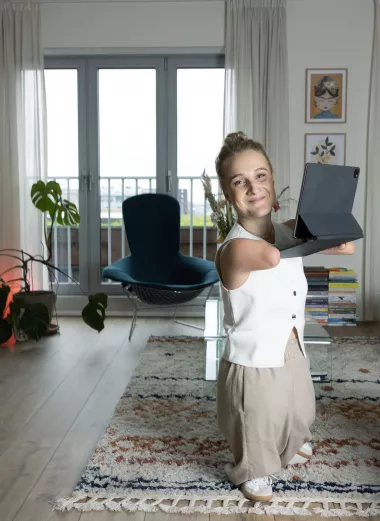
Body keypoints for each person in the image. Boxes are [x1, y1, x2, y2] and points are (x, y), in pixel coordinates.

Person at [215, 132, 355, 502]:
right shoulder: (234, 249)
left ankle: (288, 444)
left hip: (291, 343)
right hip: (254, 360)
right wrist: (318, 234)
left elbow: (335, 239)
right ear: (228, 194)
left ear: (273, 180)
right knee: (258, 420)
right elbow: (272, 255)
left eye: (261, 176)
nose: (253, 187)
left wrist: (332, 236)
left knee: (297, 409)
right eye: (239, 181)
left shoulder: (285, 231)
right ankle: (252, 469)